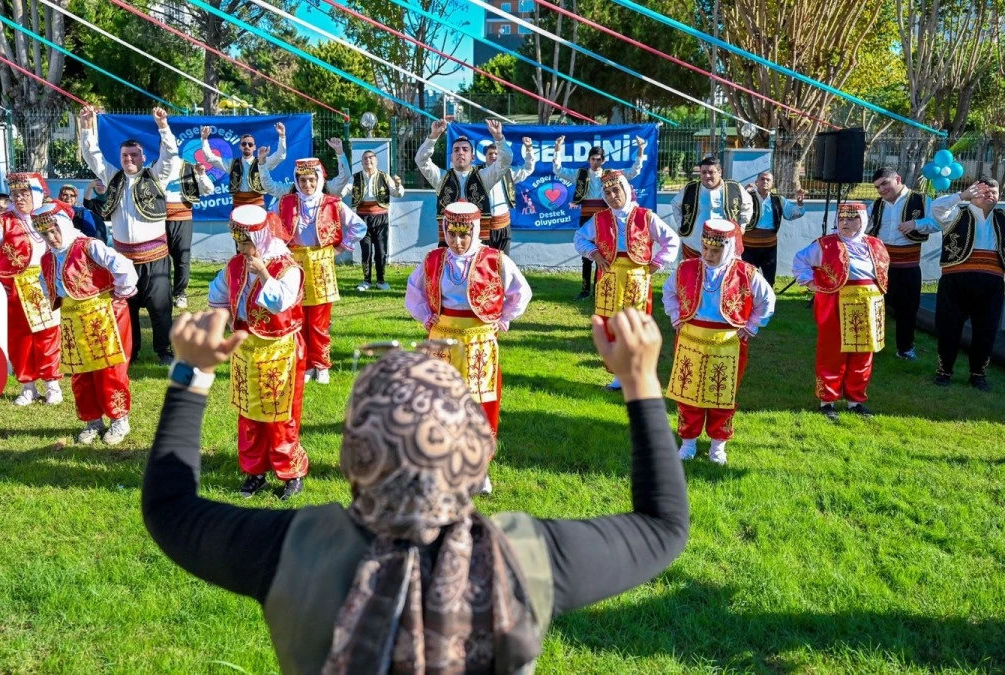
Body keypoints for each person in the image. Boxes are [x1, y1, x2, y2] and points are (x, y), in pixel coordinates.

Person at [142, 306, 687, 675]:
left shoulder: (296, 547)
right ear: (476, 447)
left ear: (354, 448)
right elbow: (662, 527)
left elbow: (171, 508)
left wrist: (193, 373)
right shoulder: (527, 558)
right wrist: (640, 381)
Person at [405, 202, 532, 493]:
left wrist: (503, 318)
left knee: (478, 403)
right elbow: (414, 291)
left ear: (476, 231)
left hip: (479, 339)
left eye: (464, 235)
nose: (458, 242)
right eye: (452, 234)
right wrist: (426, 316)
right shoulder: (433, 259)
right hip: (442, 336)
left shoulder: (494, 259)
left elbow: (520, 291)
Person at [202, 205, 309, 499]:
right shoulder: (235, 265)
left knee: (279, 417)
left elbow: (279, 304)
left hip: (279, 349)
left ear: (261, 237)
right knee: (248, 415)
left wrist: (262, 273)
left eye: (246, 241)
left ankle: (290, 473)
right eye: (238, 241)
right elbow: (218, 294)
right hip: (246, 349)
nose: (241, 247)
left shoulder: (287, 268)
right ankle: (254, 471)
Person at [662, 220, 774, 465]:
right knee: (688, 391)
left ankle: (718, 446)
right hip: (691, 337)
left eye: (716, 251)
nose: (709, 255)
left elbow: (767, 301)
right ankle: (688, 443)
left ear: (730, 247)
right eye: (705, 249)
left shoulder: (746, 273)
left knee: (722, 393)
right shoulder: (686, 268)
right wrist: (675, 316)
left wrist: (751, 326)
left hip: (728, 342)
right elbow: (668, 292)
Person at [79, 106, 181, 366]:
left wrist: (163, 126)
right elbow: (93, 156)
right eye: (125, 155)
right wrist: (86, 127)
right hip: (123, 258)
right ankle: (130, 350)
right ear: (120, 156)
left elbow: (170, 154)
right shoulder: (113, 177)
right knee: (128, 308)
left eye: (134, 155)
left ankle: (164, 351)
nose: (129, 159)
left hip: (155, 257)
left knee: (160, 308)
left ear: (143, 156)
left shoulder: (156, 176)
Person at [33, 201, 138, 445]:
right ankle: (92, 420)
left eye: (54, 230)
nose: (51, 237)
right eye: (44, 234)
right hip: (72, 319)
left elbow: (122, 265)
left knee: (109, 370)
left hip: (102, 316)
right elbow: (44, 282)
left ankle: (119, 419)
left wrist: (120, 292)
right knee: (80, 372)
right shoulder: (48, 258)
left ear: (64, 225)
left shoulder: (89, 246)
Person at [259, 156, 366, 385]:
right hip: (294, 264)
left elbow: (359, 225)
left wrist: (341, 248)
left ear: (319, 179)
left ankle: (322, 364)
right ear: (296, 181)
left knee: (319, 319)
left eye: (311, 180)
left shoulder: (332, 203)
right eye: (302, 180)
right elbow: (271, 225)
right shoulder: (285, 202)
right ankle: (305, 363)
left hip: (321, 262)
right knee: (297, 316)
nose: (307, 185)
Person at [573, 170, 679, 390]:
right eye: (608, 192)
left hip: (636, 279)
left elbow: (671, 241)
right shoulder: (600, 218)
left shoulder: (645, 216)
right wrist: (594, 253)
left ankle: (637, 372)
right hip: (609, 278)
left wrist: (655, 264)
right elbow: (580, 237)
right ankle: (619, 377)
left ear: (626, 190)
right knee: (611, 325)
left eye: (616, 190)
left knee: (634, 325)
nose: (613, 196)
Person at [0, 172, 63, 406]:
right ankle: (27, 386)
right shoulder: (1, 222)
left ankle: (52, 384)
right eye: (15, 194)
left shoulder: (51, 217)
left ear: (37, 194)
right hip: (13, 288)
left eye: (25, 193)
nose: (19, 198)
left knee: (48, 335)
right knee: (20, 338)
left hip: (45, 284)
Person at [792, 202, 890, 420]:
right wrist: (810, 283)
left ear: (863, 221)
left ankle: (855, 401)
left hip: (868, 305)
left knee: (863, 353)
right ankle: (827, 401)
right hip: (837, 302)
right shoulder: (826, 245)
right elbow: (800, 260)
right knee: (832, 352)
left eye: (852, 218)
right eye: (842, 218)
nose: (845, 223)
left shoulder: (875, 244)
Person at [929, 178, 1004, 391]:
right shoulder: (955, 213)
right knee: (948, 328)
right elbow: (936, 206)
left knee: (987, 330)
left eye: (993, 191)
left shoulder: (1002, 219)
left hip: (992, 283)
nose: (989, 194)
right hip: (956, 281)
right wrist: (961, 196)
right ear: (972, 192)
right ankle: (944, 373)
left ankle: (978, 375)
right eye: (983, 191)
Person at [553, 136, 648, 299]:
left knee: (603, 252)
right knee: (586, 255)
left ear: (603, 160)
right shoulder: (580, 174)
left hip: (605, 217)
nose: (595, 162)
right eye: (592, 159)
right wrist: (557, 149)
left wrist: (640, 150)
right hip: (586, 216)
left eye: (598, 159)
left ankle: (600, 288)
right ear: (588, 160)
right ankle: (585, 290)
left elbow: (633, 172)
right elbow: (558, 170)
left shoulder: (610, 174)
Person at [865, 167, 942, 360]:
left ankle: (905, 349)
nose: (881, 190)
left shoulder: (922, 200)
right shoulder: (875, 205)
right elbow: (864, 228)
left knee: (907, 310)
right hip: (880, 266)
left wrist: (916, 224)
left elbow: (938, 224)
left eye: (884, 183)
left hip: (908, 266)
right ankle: (873, 346)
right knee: (875, 306)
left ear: (898, 179)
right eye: (877, 187)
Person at [414, 118, 513, 248]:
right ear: (451, 157)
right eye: (456, 150)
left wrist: (498, 137)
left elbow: (505, 161)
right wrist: (433, 136)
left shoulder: (484, 176)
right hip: (450, 243)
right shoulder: (441, 178)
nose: (460, 152)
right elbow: (420, 160)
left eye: (465, 149)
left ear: (473, 157)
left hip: (477, 241)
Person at [339, 149, 404, 291]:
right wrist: (339, 195)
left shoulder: (384, 176)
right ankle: (366, 281)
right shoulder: (355, 177)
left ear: (376, 160)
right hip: (362, 218)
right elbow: (347, 189)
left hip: (381, 217)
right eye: (365, 159)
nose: (368, 161)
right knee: (366, 250)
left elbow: (397, 193)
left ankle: (381, 280)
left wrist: (398, 185)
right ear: (361, 162)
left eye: (370, 158)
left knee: (381, 250)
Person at [166, 132, 218, 308]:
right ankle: (163, 292)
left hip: (183, 218)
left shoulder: (189, 167)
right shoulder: (153, 167)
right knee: (160, 258)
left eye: (170, 146)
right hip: (158, 219)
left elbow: (208, 190)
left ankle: (180, 293)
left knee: (182, 257)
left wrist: (201, 174)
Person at [670, 156, 754, 260]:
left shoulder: (734, 187)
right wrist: (680, 224)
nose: (707, 176)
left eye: (711, 172)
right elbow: (675, 204)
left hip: (726, 241)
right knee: (693, 274)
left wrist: (742, 225)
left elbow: (747, 204)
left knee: (726, 274)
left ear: (720, 172)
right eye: (703, 172)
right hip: (694, 243)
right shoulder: (690, 188)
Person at [199, 123, 286, 209]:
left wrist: (282, 136)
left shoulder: (262, 163)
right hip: (238, 206)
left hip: (258, 207)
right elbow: (209, 158)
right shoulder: (231, 164)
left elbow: (280, 156)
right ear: (240, 146)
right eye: (244, 144)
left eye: (250, 144)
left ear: (254, 147)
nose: (247, 146)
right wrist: (204, 139)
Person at [742, 171, 806, 282]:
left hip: (769, 245)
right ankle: (747, 299)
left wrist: (799, 203)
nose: (765, 182)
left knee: (769, 278)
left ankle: (768, 299)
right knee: (747, 277)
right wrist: (742, 193)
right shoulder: (747, 196)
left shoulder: (778, 200)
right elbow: (735, 210)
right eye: (762, 179)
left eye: (768, 180)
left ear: (772, 184)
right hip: (748, 245)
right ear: (757, 182)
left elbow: (793, 213)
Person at [481, 135, 536, 256]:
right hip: (483, 224)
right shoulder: (478, 173)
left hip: (503, 224)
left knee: (503, 261)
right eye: (490, 154)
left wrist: (529, 149)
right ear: (485, 157)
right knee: (484, 262)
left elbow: (528, 168)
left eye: (496, 154)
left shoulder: (508, 172)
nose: (493, 156)